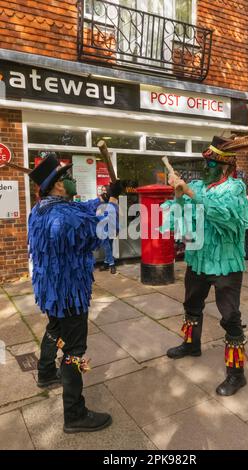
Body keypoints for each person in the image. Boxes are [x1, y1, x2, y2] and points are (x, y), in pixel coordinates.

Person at [25, 155, 121, 433]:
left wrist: (103, 196)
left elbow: (84, 208)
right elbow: (103, 230)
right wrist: (113, 205)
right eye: (66, 175)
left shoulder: (43, 208)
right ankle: (75, 414)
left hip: (52, 290)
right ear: (56, 186)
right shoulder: (63, 216)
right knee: (75, 350)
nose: (72, 178)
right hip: (68, 293)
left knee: (55, 329)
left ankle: (45, 373)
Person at [161, 135, 248, 397]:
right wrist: (179, 195)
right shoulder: (199, 186)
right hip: (198, 259)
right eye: (206, 163)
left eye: (211, 164)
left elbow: (227, 218)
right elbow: (183, 215)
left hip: (226, 264)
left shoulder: (235, 189)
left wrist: (191, 192)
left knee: (230, 317)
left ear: (225, 167)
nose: (206, 169)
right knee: (191, 304)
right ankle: (191, 344)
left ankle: (236, 374)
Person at [98, 185, 117, 274]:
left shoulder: (112, 201)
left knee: (109, 245)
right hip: (103, 227)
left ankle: (106, 263)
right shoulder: (100, 200)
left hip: (112, 226)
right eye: (102, 190)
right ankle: (112, 264)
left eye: (105, 190)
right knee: (106, 245)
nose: (103, 192)